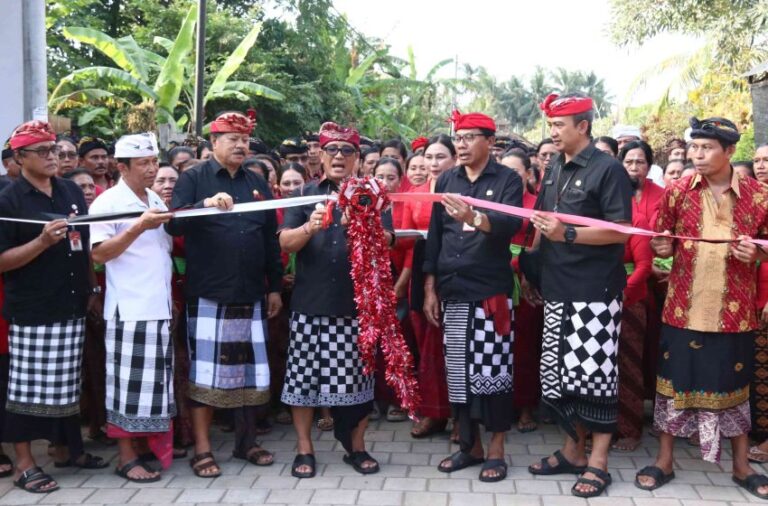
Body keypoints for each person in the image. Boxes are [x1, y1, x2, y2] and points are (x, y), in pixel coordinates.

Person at [638, 119, 768, 500]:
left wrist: (757, 253)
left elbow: (765, 247)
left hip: (735, 315)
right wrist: (662, 249)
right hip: (683, 310)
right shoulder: (677, 192)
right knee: (672, 387)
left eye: (707, 147)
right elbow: (662, 242)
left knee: (735, 389)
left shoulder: (759, 197)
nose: (697, 154)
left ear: (729, 152)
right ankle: (664, 460)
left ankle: (741, 465)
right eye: (694, 147)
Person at [526, 93, 632, 498]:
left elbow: (622, 231)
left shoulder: (609, 170)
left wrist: (568, 233)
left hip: (595, 294)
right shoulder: (554, 168)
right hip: (557, 288)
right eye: (551, 125)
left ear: (582, 126)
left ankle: (598, 461)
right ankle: (573, 450)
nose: (552, 133)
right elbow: (540, 224)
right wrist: (532, 268)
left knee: (595, 378)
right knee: (559, 377)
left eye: (559, 126)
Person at [166, 111, 281, 478]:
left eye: (244, 138)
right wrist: (203, 206)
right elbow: (173, 222)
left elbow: (269, 241)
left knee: (249, 374)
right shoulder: (193, 178)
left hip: (251, 293)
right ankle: (202, 450)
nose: (240, 144)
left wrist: (275, 286)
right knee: (206, 375)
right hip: (210, 294)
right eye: (231, 138)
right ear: (213, 143)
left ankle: (247, 443)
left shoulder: (256, 182)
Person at [279, 122, 393, 479]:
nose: (339, 157)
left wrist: (366, 224)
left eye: (347, 151)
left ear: (358, 158)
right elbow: (285, 243)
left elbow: (389, 241)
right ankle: (304, 449)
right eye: (333, 150)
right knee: (302, 383)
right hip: (310, 303)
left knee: (358, 383)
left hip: (355, 305)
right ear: (321, 156)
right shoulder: (304, 193)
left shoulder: (374, 196)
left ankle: (356, 449)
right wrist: (310, 227)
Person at [0, 121, 107, 494]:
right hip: (33, 308)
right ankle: (25, 465)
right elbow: (2, 260)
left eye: (55, 150)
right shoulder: (8, 201)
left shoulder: (68, 191)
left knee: (65, 388)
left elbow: (84, 240)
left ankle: (67, 450)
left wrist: (92, 285)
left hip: (73, 300)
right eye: (43, 152)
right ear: (19, 158)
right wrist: (41, 243)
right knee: (26, 392)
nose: (53, 157)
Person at [424, 111, 522, 483]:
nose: (461, 144)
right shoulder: (446, 179)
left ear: (490, 142)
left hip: (489, 292)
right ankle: (470, 445)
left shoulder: (508, 179)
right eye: (458, 138)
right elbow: (435, 236)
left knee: (492, 373)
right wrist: (430, 288)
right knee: (460, 374)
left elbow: (512, 227)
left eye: (469, 137)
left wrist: (475, 217)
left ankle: (496, 449)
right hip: (452, 289)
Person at [89, 133, 175, 482]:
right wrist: (139, 226)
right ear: (121, 167)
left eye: (154, 161)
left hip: (159, 305)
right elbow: (99, 254)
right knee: (127, 385)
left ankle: (143, 447)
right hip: (131, 309)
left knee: (153, 385)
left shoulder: (153, 195)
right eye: (144, 163)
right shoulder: (107, 203)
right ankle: (125, 457)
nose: (152, 169)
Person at [401, 134, 455, 439]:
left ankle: (462, 416)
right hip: (423, 269)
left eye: (440, 157)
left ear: (453, 159)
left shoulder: (462, 193)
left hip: (454, 268)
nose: (433, 164)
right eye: (429, 158)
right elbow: (410, 244)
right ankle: (434, 413)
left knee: (457, 347)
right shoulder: (415, 194)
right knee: (427, 346)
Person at [501, 148, 542, 433]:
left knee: (526, 346)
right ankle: (501, 404)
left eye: (516, 171)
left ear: (528, 174)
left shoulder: (537, 202)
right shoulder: (493, 200)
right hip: (496, 274)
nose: (510, 177)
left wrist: (521, 266)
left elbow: (538, 245)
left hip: (527, 275)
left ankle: (527, 407)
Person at [750, 144, 768, 462]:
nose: (761, 166)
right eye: (757, 160)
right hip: (750, 296)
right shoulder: (753, 200)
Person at [619, 140, 665, 225]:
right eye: (628, 162)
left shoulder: (663, 195)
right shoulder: (611, 194)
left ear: (649, 167)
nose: (633, 168)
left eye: (640, 162)